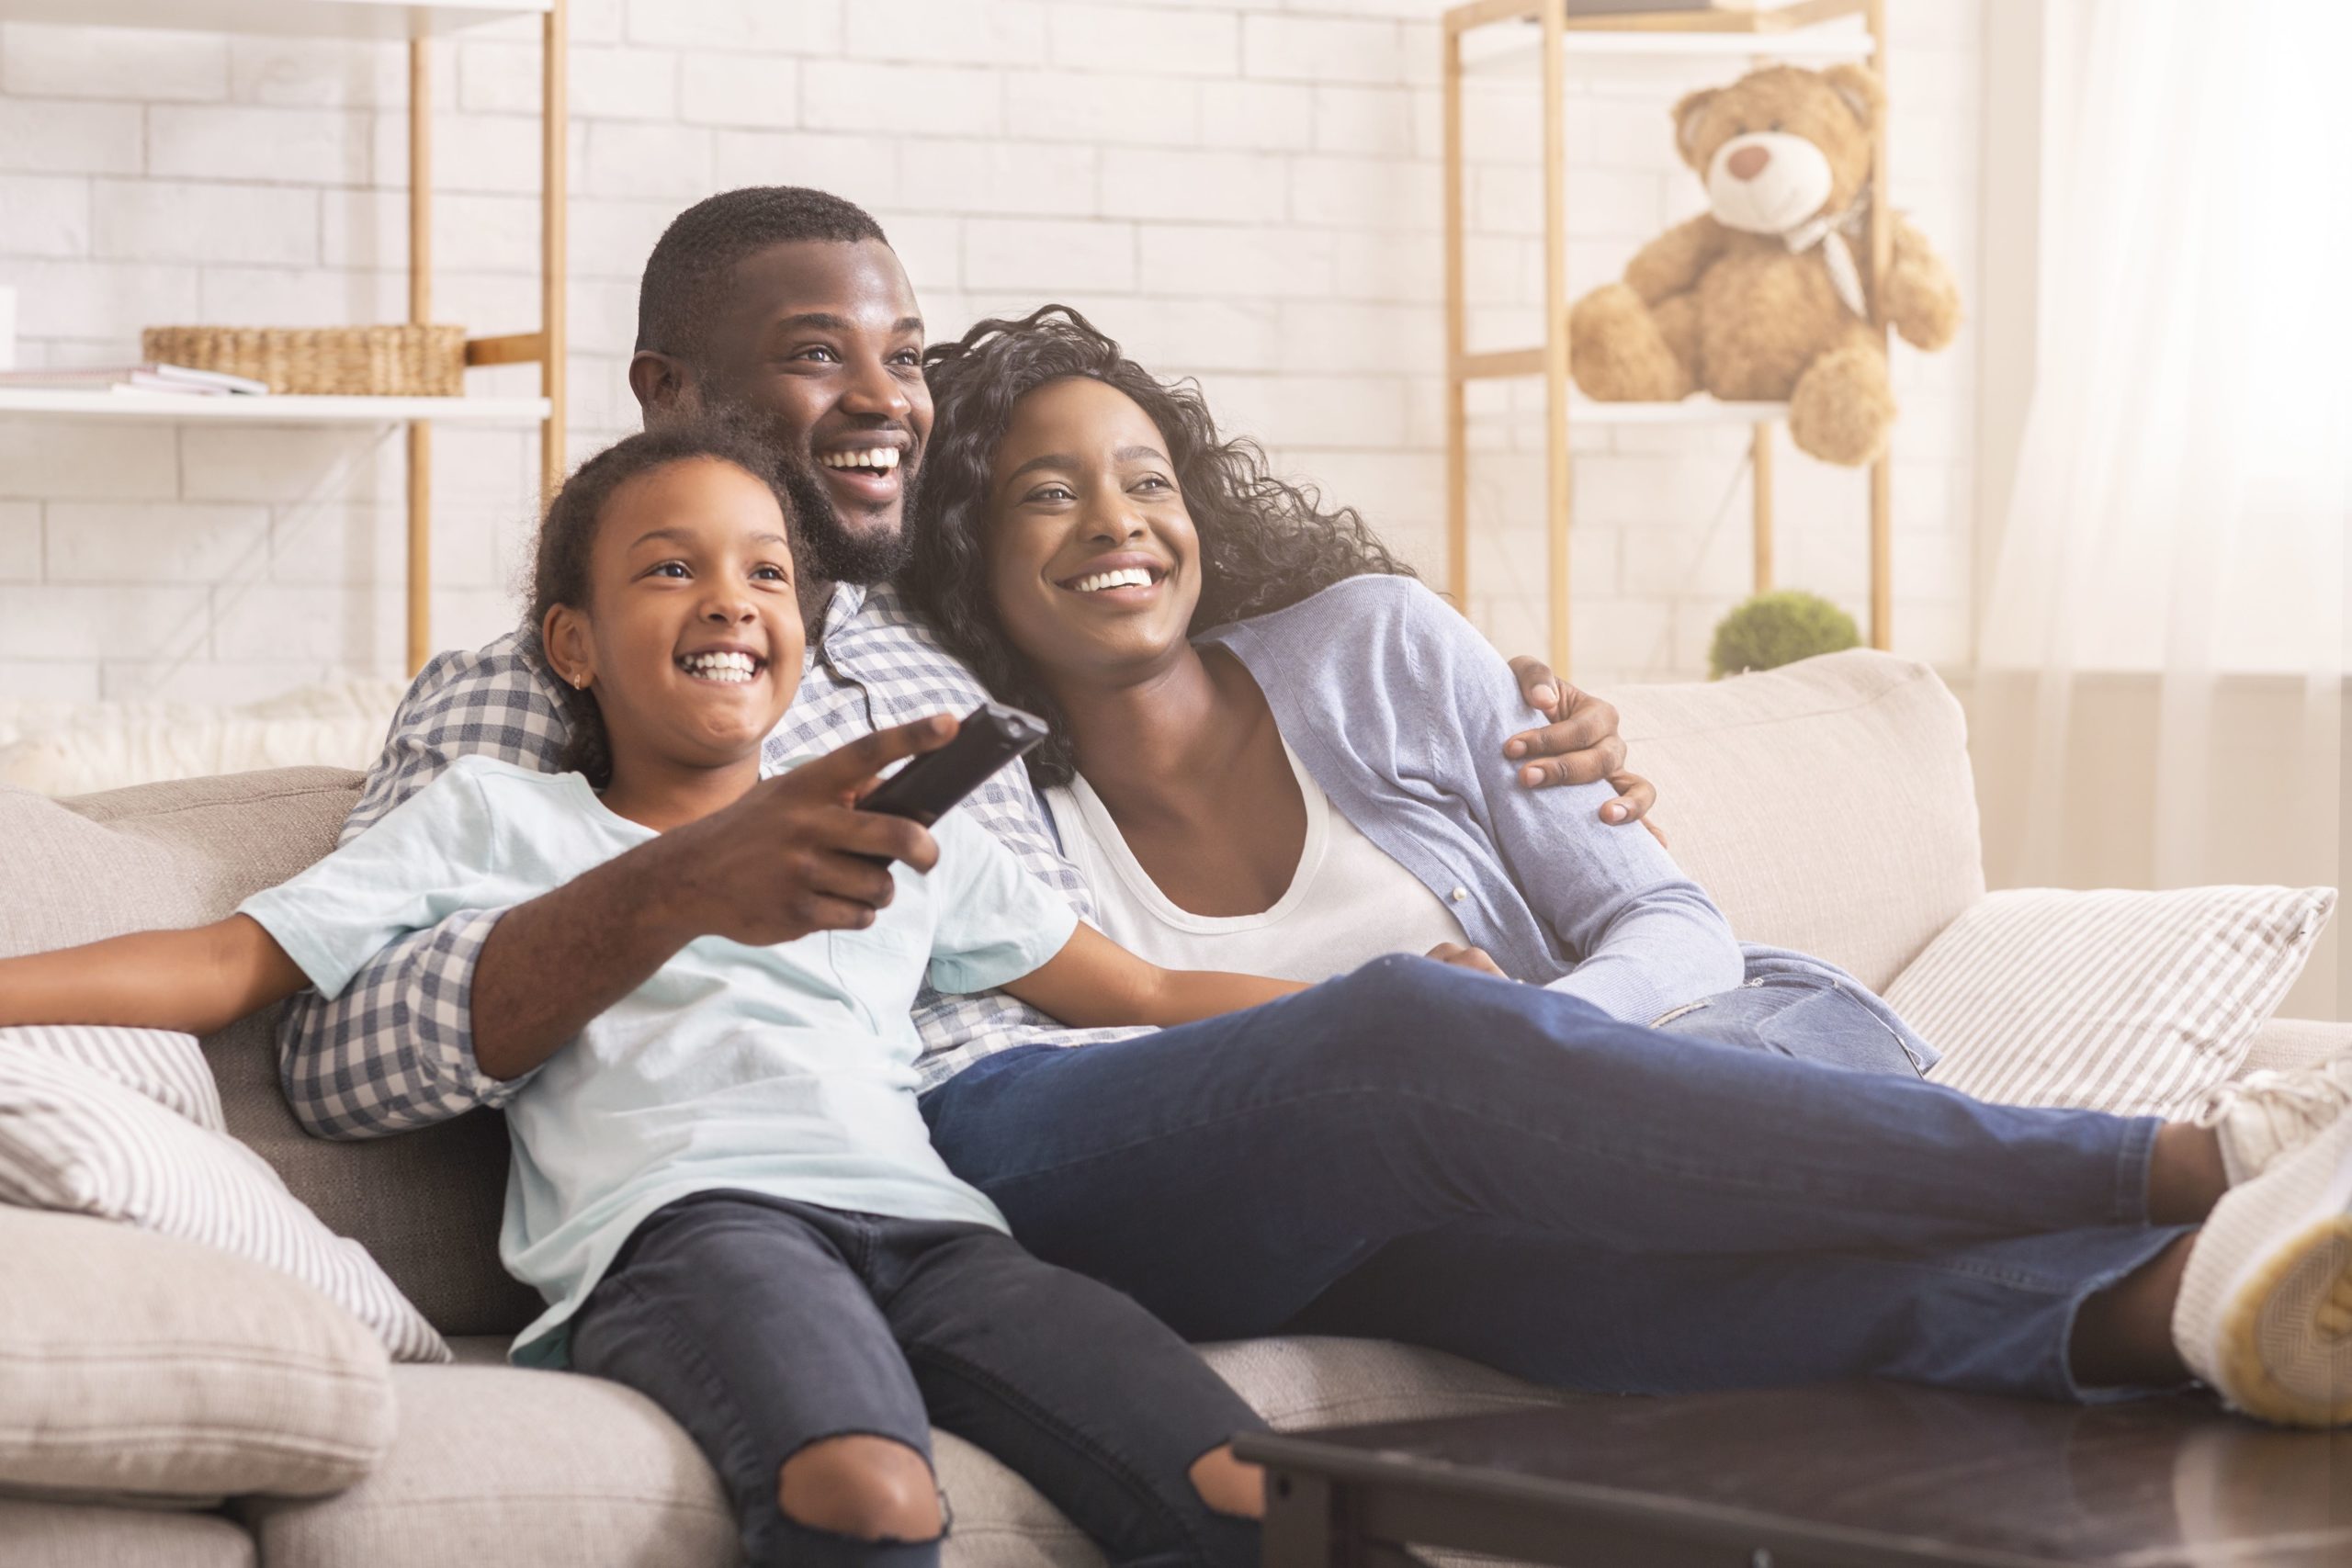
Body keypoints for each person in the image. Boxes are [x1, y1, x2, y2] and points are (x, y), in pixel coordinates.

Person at [272, 187, 2352, 1431]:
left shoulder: (946, 634)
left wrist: (1564, 724)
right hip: (948, 1136)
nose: (884, 394)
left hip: (1156, 1103)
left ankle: (2158, 1311)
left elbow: (1188, 619)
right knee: (1406, 1037)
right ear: (664, 401)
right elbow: (343, 1044)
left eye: (899, 355)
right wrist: (670, 891)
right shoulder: (520, 685)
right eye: (816, 359)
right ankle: (2195, 1154)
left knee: (1535, 1265)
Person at [897, 303, 2352, 1428]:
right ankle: (2195, 1177)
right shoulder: (1004, 812)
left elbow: (1667, 917)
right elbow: (1101, 1083)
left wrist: (1533, 1046)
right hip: (1390, 1213)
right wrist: (1450, 1048)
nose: (1116, 523)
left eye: (1148, 478)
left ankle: (2178, 1311)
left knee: (1694, 1131)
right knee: (1493, 1192)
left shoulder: (1381, 650)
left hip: (1665, 1070)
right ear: (970, 546)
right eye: (1047, 493)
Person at [3, 423, 1348, 1568]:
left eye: (766, 572)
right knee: (868, 1496)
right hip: (685, 1238)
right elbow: (229, 962)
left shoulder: (885, 829)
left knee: (1253, 1491)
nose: (729, 597)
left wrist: (1376, 989)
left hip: (940, 1233)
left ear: (803, 641)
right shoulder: (496, 819)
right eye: (671, 569)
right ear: (573, 645)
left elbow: (1151, 986)